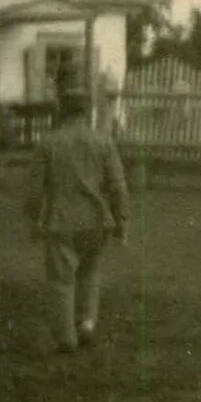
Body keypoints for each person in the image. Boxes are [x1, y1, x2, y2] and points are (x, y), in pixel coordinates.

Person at [29, 86, 131, 354]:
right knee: (90, 272)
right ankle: (86, 324)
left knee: (61, 279)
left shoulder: (48, 142)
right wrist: (121, 221)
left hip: (61, 221)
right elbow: (119, 186)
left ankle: (66, 338)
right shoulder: (103, 141)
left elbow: (34, 191)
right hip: (97, 221)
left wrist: (33, 221)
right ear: (87, 111)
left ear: (61, 110)